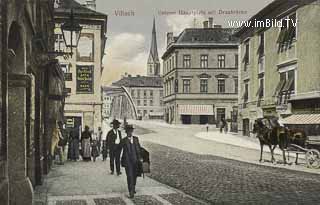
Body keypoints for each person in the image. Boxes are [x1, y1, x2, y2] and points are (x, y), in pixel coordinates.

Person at [120, 124, 142, 198]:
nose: (129, 132)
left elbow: (139, 149)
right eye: (128, 131)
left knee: (134, 176)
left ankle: (133, 187)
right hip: (127, 161)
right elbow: (119, 149)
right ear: (126, 132)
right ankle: (131, 191)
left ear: (132, 131)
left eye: (130, 131)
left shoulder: (136, 139)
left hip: (135, 161)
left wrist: (141, 158)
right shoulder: (123, 140)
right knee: (129, 176)